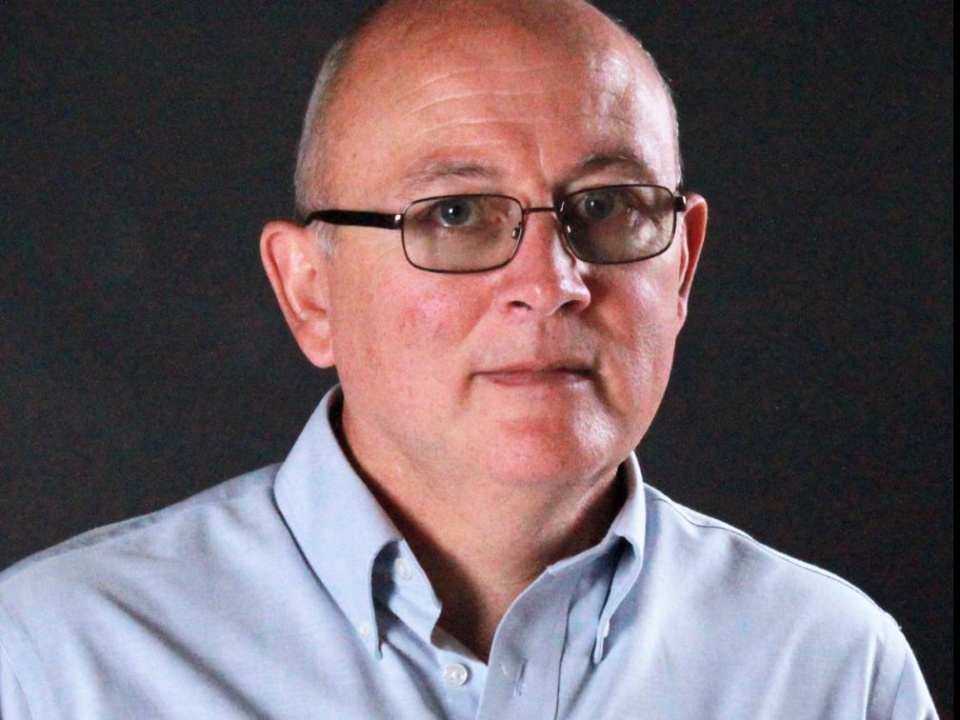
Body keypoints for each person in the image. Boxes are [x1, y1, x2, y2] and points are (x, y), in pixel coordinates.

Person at [0, 0, 939, 717]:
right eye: (454, 215)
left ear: (683, 266)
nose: (553, 282)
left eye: (608, 207)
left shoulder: (828, 670)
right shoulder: (53, 664)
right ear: (309, 292)